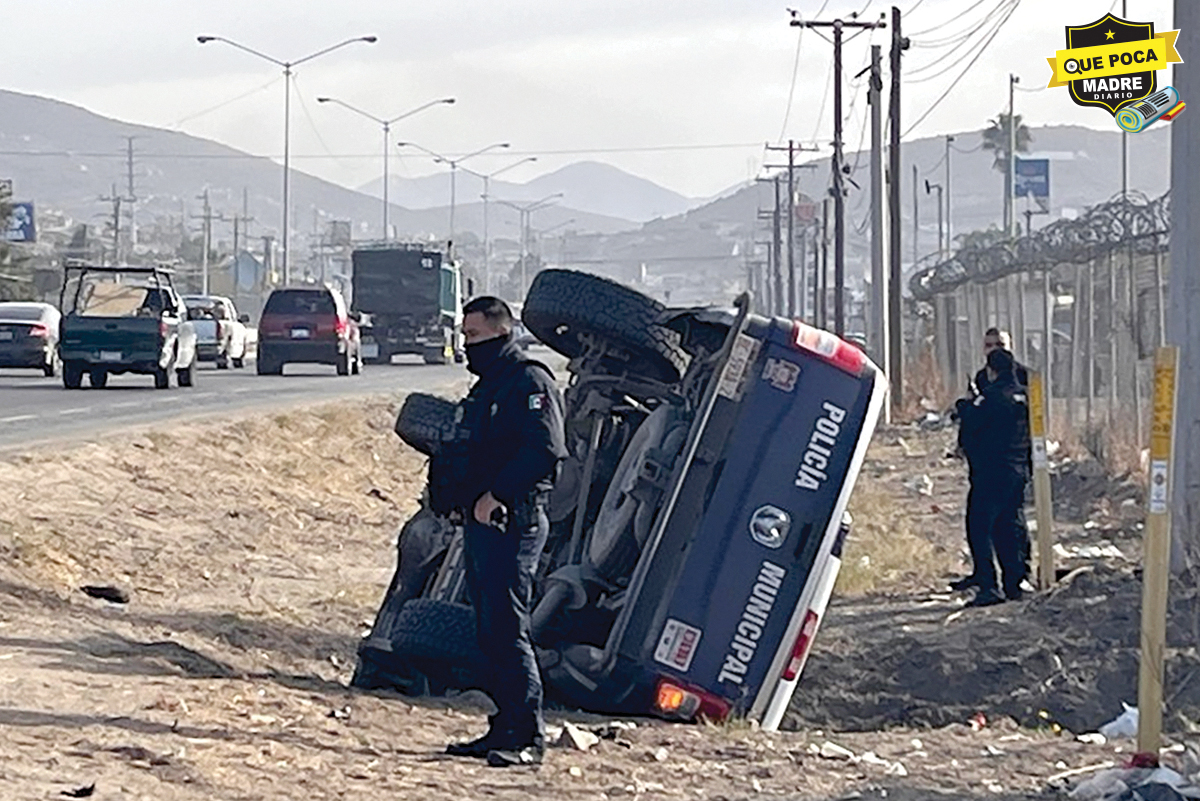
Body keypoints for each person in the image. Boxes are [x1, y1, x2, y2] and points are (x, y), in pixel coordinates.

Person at [443, 296, 567, 768]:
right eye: (465, 336)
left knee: (509, 628)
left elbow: (545, 450)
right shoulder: (488, 387)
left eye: (474, 336)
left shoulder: (528, 381)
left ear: (501, 333)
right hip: (481, 525)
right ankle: (504, 724)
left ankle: (528, 735)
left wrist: (498, 494)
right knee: (490, 629)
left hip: (513, 520)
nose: (467, 345)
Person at [949, 326, 1029, 592]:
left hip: (996, 466)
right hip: (1006, 464)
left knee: (985, 525)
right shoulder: (1004, 385)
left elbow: (976, 416)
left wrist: (964, 407)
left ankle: (992, 584)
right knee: (1005, 524)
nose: (994, 348)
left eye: (999, 344)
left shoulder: (1004, 388)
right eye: (990, 344)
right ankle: (1011, 582)